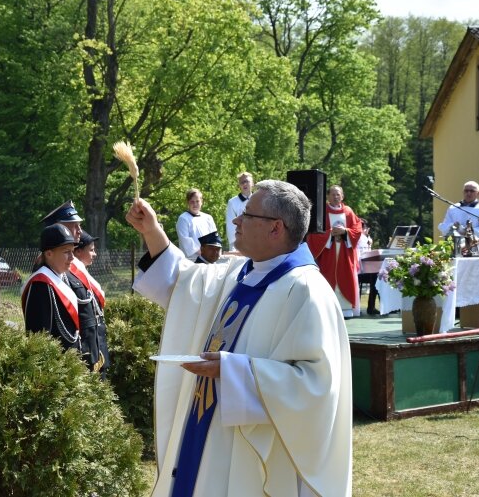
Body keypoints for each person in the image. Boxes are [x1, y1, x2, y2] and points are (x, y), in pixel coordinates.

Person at [126, 180, 352, 497]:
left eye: (246, 215)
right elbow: (182, 283)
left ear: (276, 228)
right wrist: (151, 230)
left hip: (249, 452)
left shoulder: (305, 292)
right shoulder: (238, 273)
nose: (235, 221)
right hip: (207, 433)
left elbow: (317, 387)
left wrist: (235, 371)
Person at [22, 224, 108, 374]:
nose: (72, 257)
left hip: (70, 364)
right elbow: (40, 338)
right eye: (66, 252)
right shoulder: (41, 284)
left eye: (72, 251)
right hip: (57, 369)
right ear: (49, 254)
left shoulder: (60, 277)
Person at [42, 201, 110, 371]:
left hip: (92, 346)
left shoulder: (72, 263)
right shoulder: (50, 265)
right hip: (76, 352)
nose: (80, 230)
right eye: (74, 226)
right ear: (59, 227)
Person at [306, 185, 362, 318]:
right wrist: (329, 234)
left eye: (338, 194)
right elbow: (313, 233)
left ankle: (346, 309)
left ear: (342, 196)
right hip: (328, 253)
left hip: (344, 253)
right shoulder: (322, 211)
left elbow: (357, 229)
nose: (335, 197)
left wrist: (345, 232)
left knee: (345, 275)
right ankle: (327, 307)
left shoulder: (348, 211)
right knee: (327, 277)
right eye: (333, 194)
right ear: (328, 196)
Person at [437, 180, 479, 256]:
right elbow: (444, 226)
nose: (468, 193)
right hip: (456, 248)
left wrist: (469, 232)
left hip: (477, 248)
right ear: (463, 192)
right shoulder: (453, 208)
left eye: (472, 191)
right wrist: (454, 226)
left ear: (478, 193)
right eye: (466, 191)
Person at [175, 188, 217, 261]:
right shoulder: (183, 218)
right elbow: (186, 241)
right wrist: (203, 253)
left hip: (209, 259)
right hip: (192, 260)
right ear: (187, 202)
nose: (195, 204)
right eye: (192, 202)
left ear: (201, 202)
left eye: (197, 201)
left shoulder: (208, 218)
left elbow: (214, 238)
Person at [225, 172, 254, 251]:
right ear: (239, 185)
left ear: (252, 184)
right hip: (240, 241)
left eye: (247, 181)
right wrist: (236, 243)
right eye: (242, 182)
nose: (244, 184)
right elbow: (230, 225)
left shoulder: (259, 200)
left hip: (256, 240)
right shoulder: (232, 202)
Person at [356, 218, 379, 315]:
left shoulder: (367, 238)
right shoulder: (362, 238)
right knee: (376, 276)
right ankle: (371, 306)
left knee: (375, 275)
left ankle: (371, 306)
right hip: (360, 271)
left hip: (361, 270)